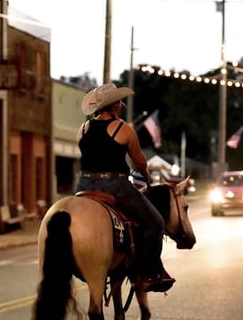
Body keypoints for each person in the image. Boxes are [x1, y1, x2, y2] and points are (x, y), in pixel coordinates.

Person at [75, 83, 175, 293]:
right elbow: (140, 162)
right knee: (155, 223)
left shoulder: (83, 129)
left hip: (83, 185)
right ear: (114, 105)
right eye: (119, 102)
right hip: (114, 186)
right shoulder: (123, 129)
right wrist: (146, 177)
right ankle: (149, 273)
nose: (121, 105)